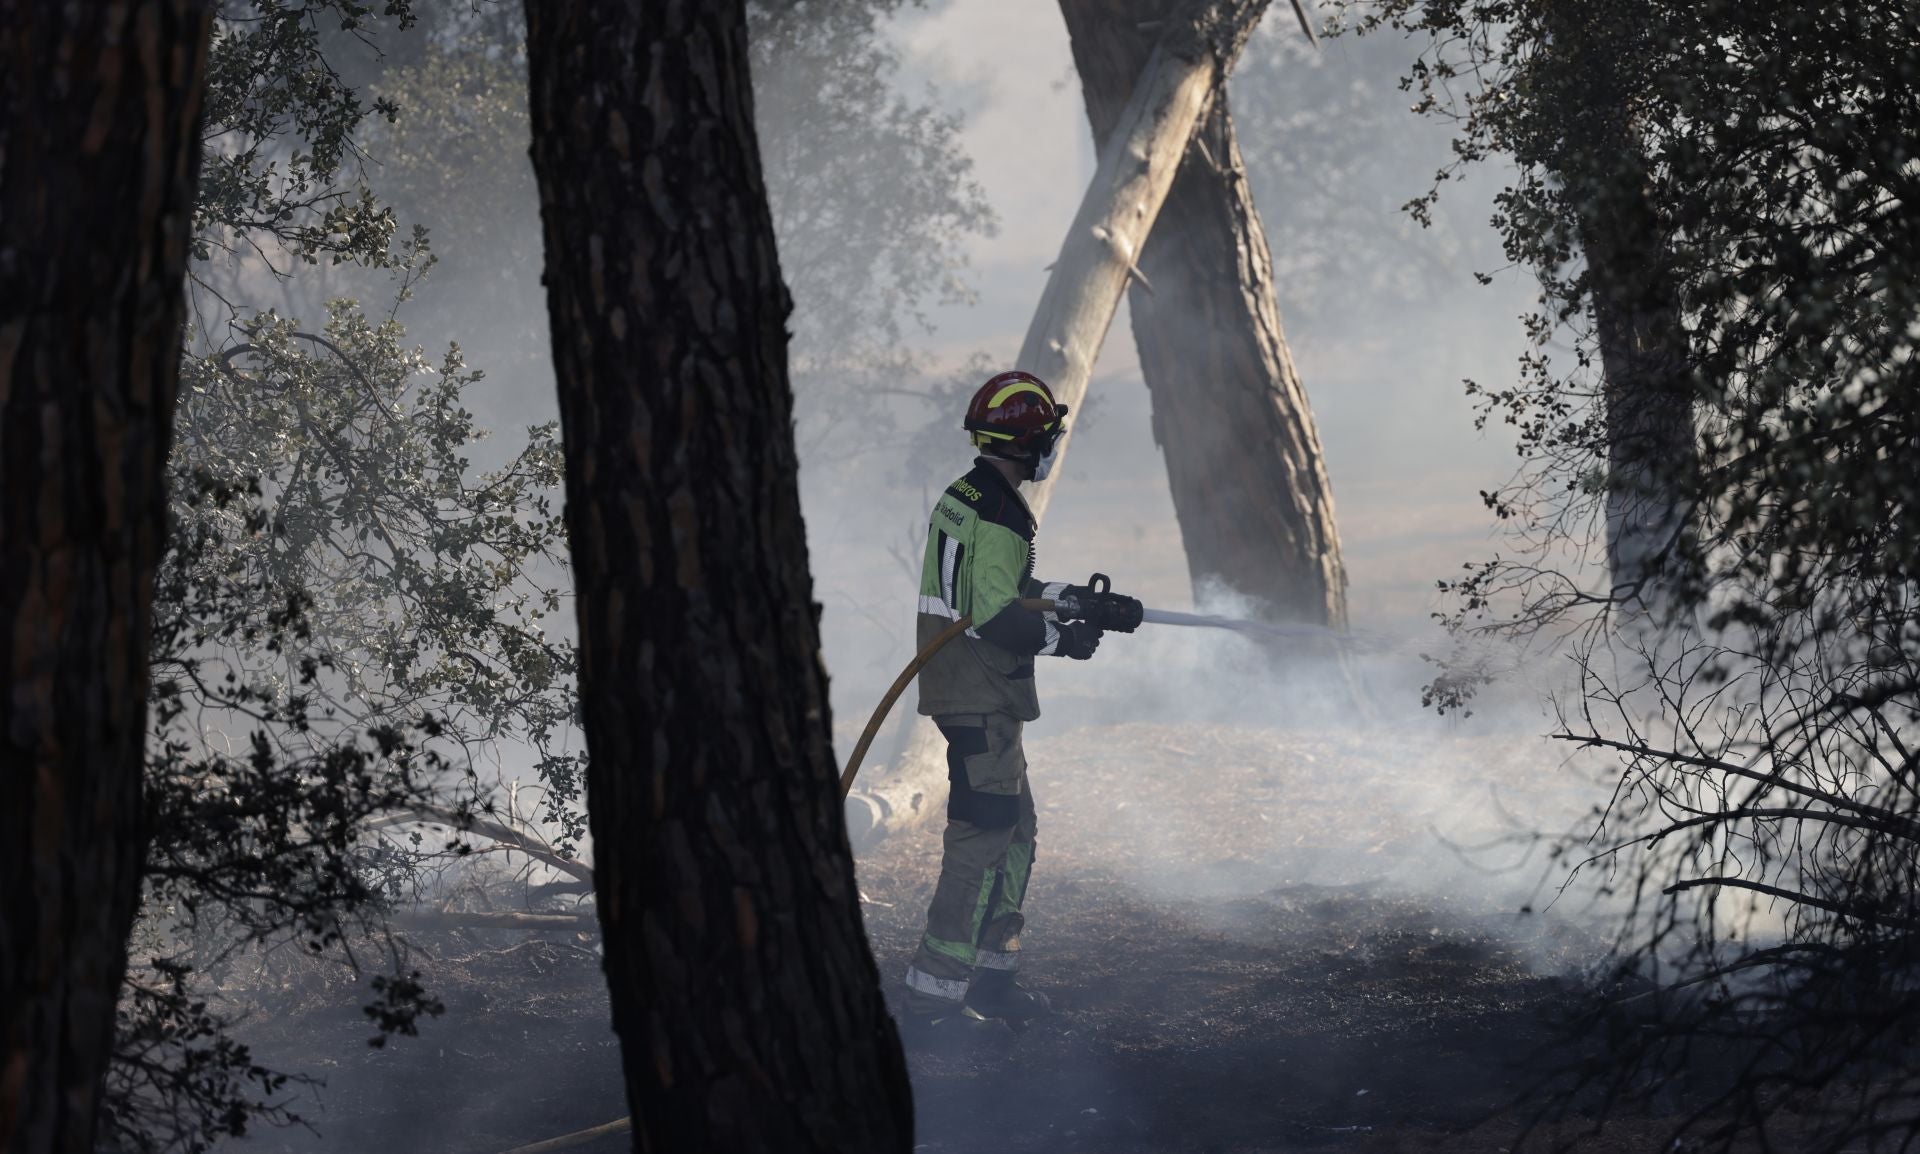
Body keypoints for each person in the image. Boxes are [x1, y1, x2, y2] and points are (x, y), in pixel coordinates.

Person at [902, 369, 1141, 1041]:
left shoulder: (968, 495)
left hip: (971, 690)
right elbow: (993, 612)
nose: (1049, 453)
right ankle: (935, 994)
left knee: (1018, 830)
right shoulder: (1002, 511)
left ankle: (992, 976)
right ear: (1029, 443)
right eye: (1047, 441)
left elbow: (1004, 585)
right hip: (978, 692)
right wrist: (1065, 640)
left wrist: (1076, 599)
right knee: (984, 836)